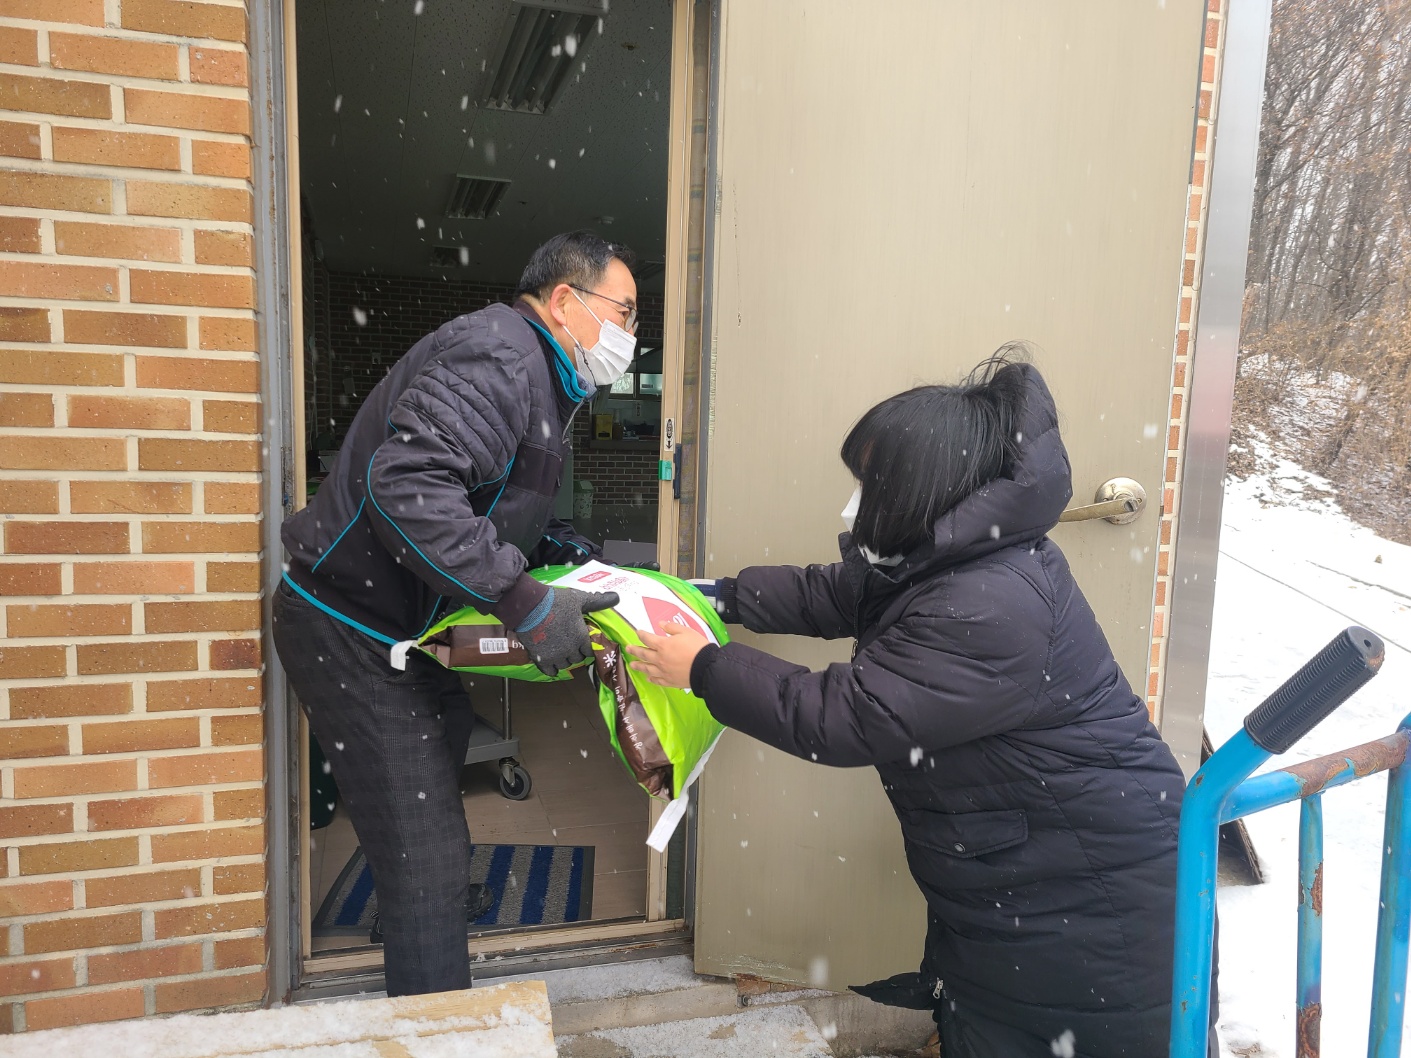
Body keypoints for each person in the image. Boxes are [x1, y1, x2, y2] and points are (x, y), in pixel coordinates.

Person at [630, 352, 1215, 1058]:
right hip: (1036, 885)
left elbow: (844, 718)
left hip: (1096, 907)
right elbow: (834, 593)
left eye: (868, 485)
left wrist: (704, 668)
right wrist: (716, 597)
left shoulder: (989, 603)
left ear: (921, 489)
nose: (853, 504)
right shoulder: (948, 558)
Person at [274, 231, 637, 996]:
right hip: (345, 624)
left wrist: (563, 553)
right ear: (565, 301)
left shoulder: (541, 376)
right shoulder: (503, 358)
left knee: (440, 735)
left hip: (387, 627)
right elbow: (408, 489)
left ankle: (407, 907)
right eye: (625, 312)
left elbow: (491, 500)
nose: (630, 335)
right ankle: (431, 999)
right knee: (429, 857)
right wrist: (525, 604)